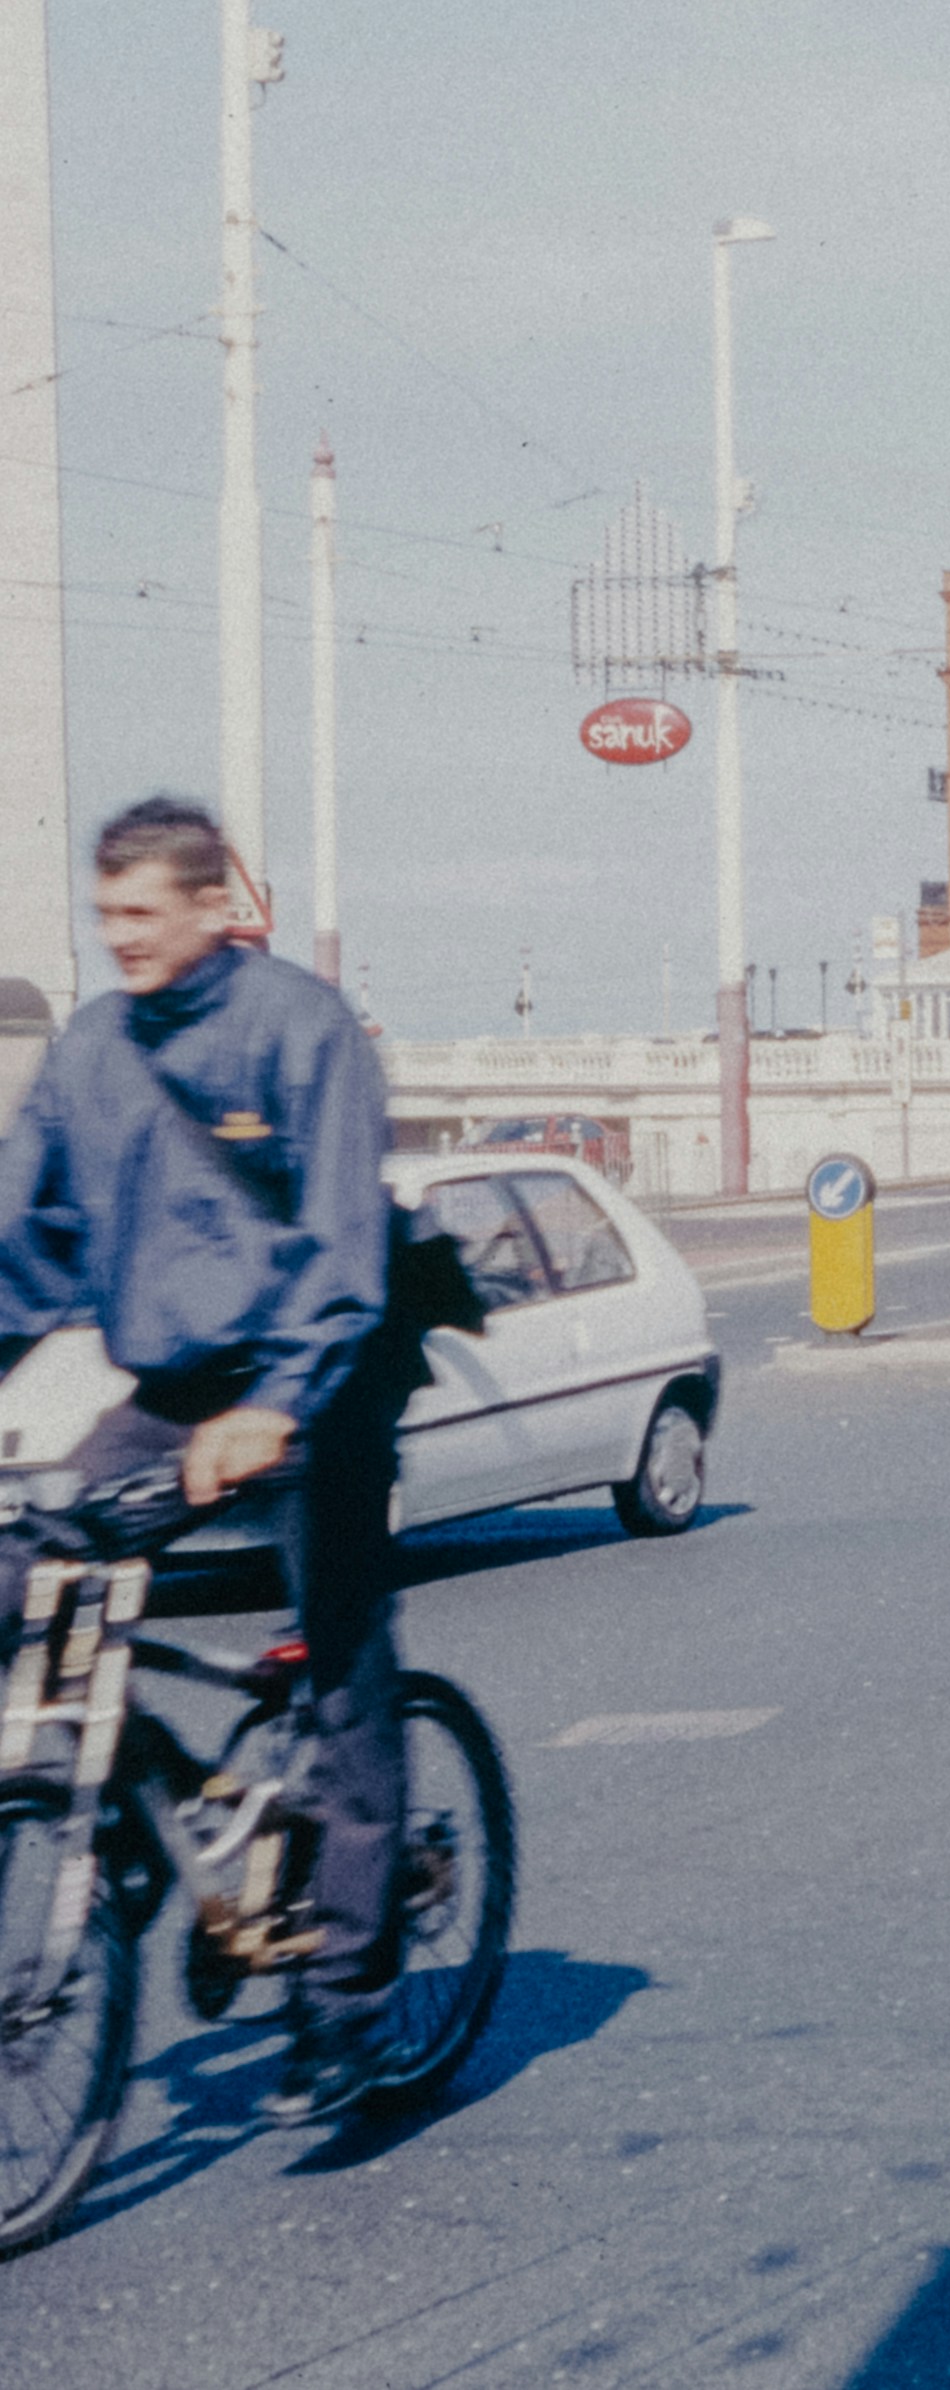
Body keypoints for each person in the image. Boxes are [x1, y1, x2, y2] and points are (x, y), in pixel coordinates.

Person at [0, 798, 409, 2122]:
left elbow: (349, 1255)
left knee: (344, 1667)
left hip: (315, 1386)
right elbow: (26, 1244)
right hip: (173, 1393)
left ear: (203, 906)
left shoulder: (305, 1030)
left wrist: (281, 1405)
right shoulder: (91, 1051)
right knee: (24, 1573)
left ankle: (346, 2001)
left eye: (136, 913)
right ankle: (107, 1812)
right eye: (102, 912)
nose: (114, 935)